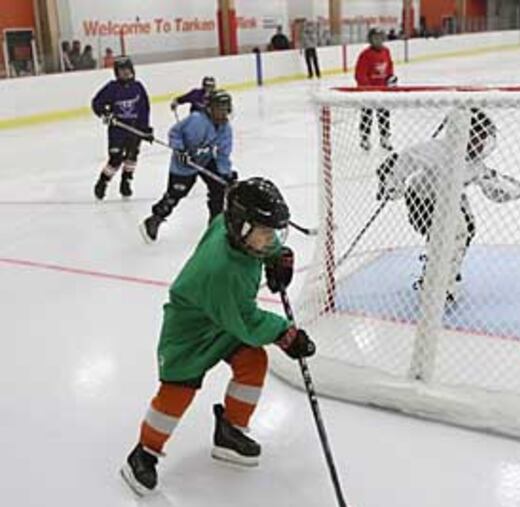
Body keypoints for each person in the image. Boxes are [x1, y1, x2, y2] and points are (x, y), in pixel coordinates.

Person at [121, 176, 316, 496]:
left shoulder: (228, 228)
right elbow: (248, 322)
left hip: (222, 319)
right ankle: (143, 453)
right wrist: (285, 334)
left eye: (274, 234)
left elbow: (241, 314)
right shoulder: (223, 270)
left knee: (253, 361)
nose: (271, 239)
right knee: (177, 392)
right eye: (266, 234)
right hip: (190, 333)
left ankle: (230, 431)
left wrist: (276, 256)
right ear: (240, 226)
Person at [376, 108, 520, 300]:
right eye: (477, 137)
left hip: (449, 199)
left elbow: (491, 185)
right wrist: (392, 182)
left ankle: (444, 269)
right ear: (464, 134)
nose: (481, 144)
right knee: (456, 230)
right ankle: (437, 283)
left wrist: (510, 191)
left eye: (484, 138)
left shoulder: (475, 163)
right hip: (422, 201)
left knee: (468, 227)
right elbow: (407, 158)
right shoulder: (437, 150)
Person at [140, 90, 235, 243]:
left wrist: (226, 173)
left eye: (226, 109)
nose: (223, 113)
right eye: (219, 108)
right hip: (184, 163)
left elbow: (224, 153)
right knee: (175, 194)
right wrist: (180, 150)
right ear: (210, 107)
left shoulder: (225, 128)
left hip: (205, 160)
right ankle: (154, 219)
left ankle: (215, 225)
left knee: (219, 187)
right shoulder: (196, 120)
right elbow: (174, 132)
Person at [91, 56, 152, 200]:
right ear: (116, 72)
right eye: (121, 70)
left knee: (132, 156)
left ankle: (126, 181)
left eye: (127, 70)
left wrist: (146, 129)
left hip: (134, 128)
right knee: (116, 158)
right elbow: (96, 103)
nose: (125, 73)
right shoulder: (112, 88)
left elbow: (144, 109)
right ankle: (103, 181)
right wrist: (105, 114)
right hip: (117, 130)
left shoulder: (138, 87)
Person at [355, 28, 397, 151]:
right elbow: (359, 74)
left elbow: (389, 67)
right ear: (370, 39)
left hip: (382, 91)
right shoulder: (365, 55)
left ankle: (384, 138)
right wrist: (368, 88)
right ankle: (365, 138)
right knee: (366, 115)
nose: (378, 40)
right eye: (375, 38)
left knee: (384, 115)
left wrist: (391, 78)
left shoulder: (386, 52)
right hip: (368, 92)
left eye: (380, 37)